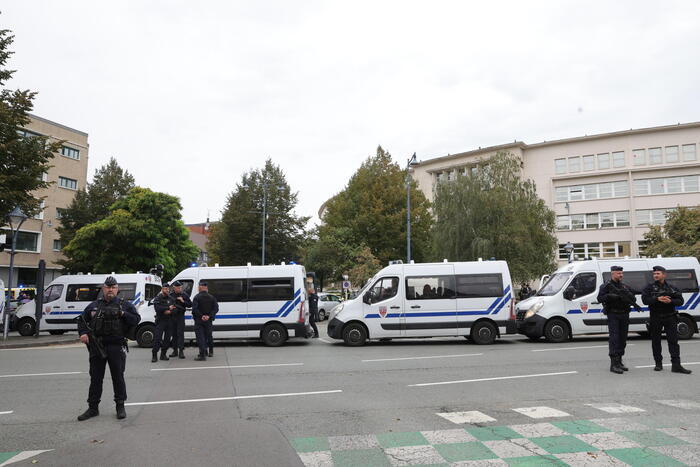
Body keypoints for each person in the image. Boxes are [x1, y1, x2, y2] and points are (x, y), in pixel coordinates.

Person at [76, 276, 140, 420]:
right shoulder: (94, 305)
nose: (110, 290)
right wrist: (83, 333)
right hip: (97, 346)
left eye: (113, 287)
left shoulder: (125, 305)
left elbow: (136, 319)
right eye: (107, 287)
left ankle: (120, 406)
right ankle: (93, 408)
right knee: (95, 378)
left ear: (117, 289)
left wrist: (123, 314)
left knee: (118, 377)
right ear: (103, 289)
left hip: (116, 346)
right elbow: (82, 320)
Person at [642, 266, 692, 374]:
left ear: (664, 275)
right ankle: (658, 364)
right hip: (656, 317)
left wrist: (670, 301)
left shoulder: (672, 288)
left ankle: (676, 365)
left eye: (658, 273)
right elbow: (645, 300)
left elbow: (680, 301)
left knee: (673, 341)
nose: (656, 275)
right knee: (656, 341)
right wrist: (657, 299)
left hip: (670, 317)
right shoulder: (649, 288)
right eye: (654, 274)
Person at [597, 266, 639, 374]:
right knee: (614, 339)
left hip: (624, 315)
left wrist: (630, 295)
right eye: (618, 273)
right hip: (613, 314)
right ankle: (613, 364)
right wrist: (610, 296)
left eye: (621, 273)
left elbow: (634, 295)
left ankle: (619, 361)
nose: (621, 275)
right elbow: (600, 298)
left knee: (623, 339)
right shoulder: (606, 286)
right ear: (613, 274)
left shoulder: (624, 286)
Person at [192, 281, 219, 361]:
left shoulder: (196, 297)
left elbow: (194, 310)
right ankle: (210, 351)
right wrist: (209, 316)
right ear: (206, 288)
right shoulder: (212, 297)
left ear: (200, 287)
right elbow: (216, 308)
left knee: (200, 337)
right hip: (208, 321)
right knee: (208, 336)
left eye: (198, 287)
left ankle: (202, 355)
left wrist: (202, 316)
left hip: (199, 321)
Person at [167, 280, 192, 359]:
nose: (179, 289)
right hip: (172, 317)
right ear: (174, 288)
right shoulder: (170, 295)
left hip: (180, 317)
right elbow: (167, 303)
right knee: (174, 334)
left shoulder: (184, 295)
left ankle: (181, 351)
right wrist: (170, 307)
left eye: (180, 288)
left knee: (180, 334)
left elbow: (190, 305)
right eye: (177, 288)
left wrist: (183, 301)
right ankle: (175, 351)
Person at [151, 282, 174, 363]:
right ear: (162, 289)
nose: (167, 290)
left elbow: (174, 308)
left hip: (169, 321)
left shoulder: (171, 298)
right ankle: (154, 355)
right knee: (157, 338)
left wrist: (171, 312)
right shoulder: (158, 298)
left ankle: (163, 354)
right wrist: (166, 308)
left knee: (167, 339)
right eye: (165, 288)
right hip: (161, 321)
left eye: (168, 289)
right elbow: (157, 308)